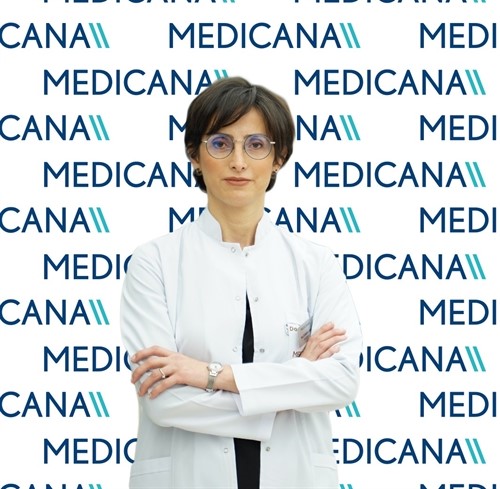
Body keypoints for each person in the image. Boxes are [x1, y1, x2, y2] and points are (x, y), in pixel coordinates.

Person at [120, 76, 362, 489]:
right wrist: (296, 383)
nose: (238, 161)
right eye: (220, 143)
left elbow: (340, 382)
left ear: (278, 158)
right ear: (194, 155)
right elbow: (166, 401)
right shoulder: (154, 262)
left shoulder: (315, 264)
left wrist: (211, 374)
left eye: (256, 145)